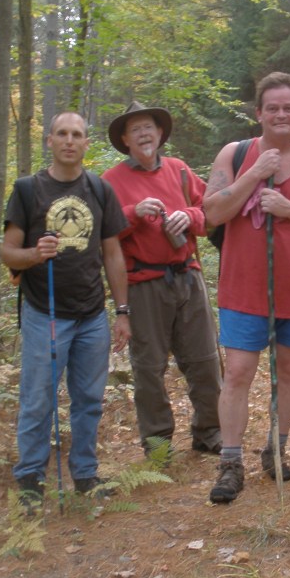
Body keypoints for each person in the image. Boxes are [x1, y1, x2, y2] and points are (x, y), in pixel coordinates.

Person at [203, 72, 290, 503]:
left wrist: (288, 208)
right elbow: (211, 212)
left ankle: (275, 449)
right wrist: (254, 175)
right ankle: (230, 464)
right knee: (239, 373)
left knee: (288, 371)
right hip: (243, 288)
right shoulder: (235, 154)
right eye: (272, 108)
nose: (281, 114)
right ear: (259, 112)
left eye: (289, 107)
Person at [1, 111, 131, 504]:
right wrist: (35, 255)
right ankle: (29, 480)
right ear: (50, 140)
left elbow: (113, 254)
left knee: (89, 399)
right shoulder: (27, 190)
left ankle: (86, 474)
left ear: (86, 143)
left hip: (92, 314)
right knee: (39, 397)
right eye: (62, 134)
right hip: (46, 312)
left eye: (77, 134)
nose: (70, 140)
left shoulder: (99, 189)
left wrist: (122, 311)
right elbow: (8, 253)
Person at [102, 101, 222, 456]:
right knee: (149, 370)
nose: (143, 133)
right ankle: (157, 444)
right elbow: (103, 238)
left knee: (204, 360)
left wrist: (189, 216)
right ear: (125, 139)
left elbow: (213, 211)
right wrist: (132, 214)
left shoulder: (180, 171)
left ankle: (209, 432)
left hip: (188, 277)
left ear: (160, 134)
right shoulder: (111, 182)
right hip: (143, 287)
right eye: (135, 129)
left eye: (148, 127)